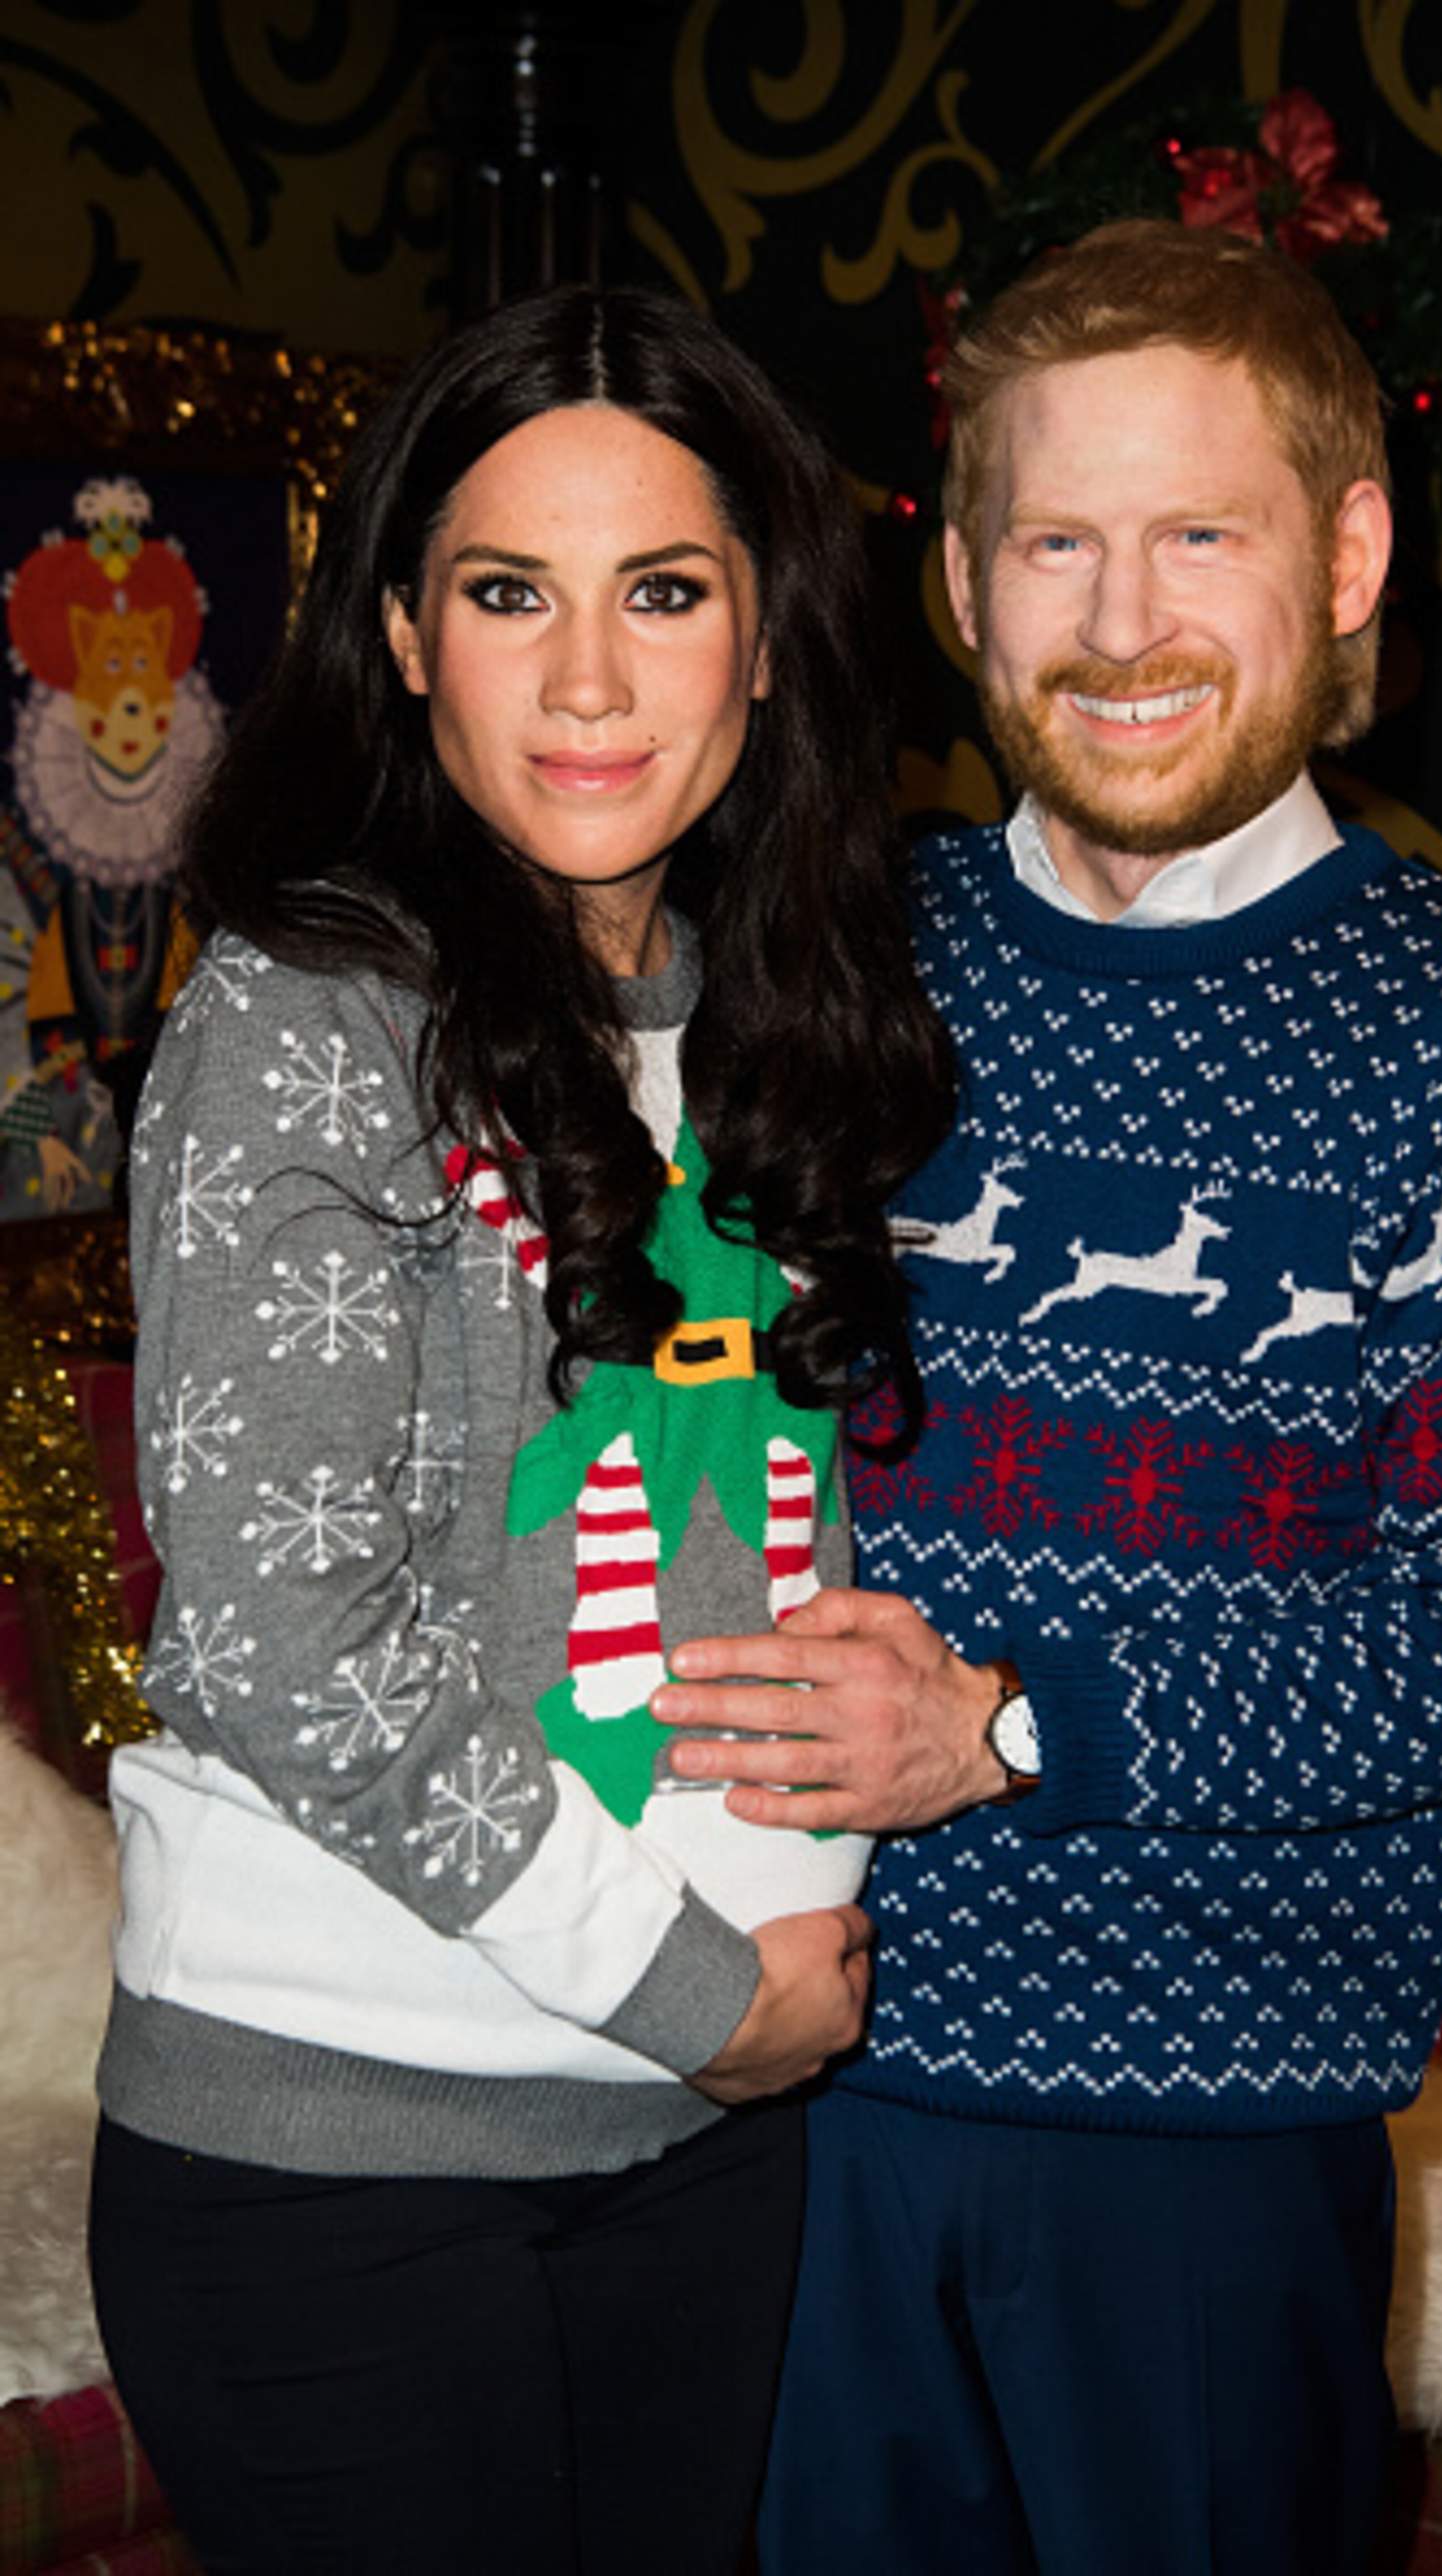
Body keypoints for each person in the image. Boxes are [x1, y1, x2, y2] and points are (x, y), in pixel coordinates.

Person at [651, 219, 1442, 2574]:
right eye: (1058, 543)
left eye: (1198, 534)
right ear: (969, 591)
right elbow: (662, 1421)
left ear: (1345, 556)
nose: (1121, 628)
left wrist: (1003, 1723)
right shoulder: (816, 963)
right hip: (774, 2085)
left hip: (1210, 2156)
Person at [87, 281, 954, 2576]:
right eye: (508, 594)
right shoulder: (311, 1014)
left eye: (664, 594)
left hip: (696, 2153)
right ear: (401, 634)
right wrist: (706, 1999)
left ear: (764, 646)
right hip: (349, 2179)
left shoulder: (769, 1027)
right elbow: (290, 1641)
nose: (589, 680)